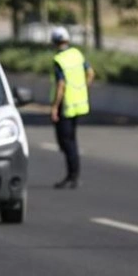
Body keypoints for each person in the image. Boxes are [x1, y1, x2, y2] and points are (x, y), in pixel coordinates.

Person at [49, 26, 95, 189]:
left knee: (66, 142)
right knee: (72, 141)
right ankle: (73, 175)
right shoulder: (77, 54)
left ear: (54, 42)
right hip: (78, 104)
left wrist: (54, 107)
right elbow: (90, 73)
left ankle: (72, 176)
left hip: (66, 105)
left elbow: (60, 85)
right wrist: (83, 89)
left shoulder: (59, 60)